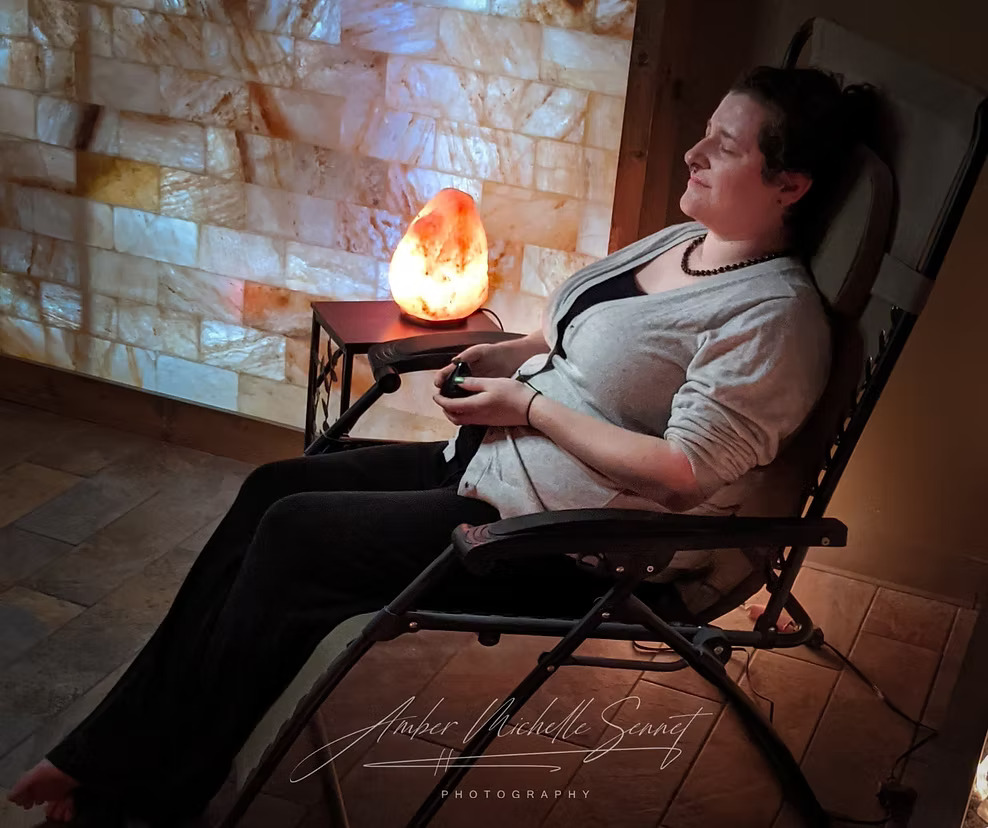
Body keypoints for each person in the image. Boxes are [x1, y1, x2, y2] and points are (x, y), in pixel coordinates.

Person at [8, 65, 875, 825]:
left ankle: (149, 785)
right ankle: (114, 754)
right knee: (275, 487)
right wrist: (521, 355)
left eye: (722, 146)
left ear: (790, 184)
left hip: (553, 544)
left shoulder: (774, 318)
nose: (693, 154)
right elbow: (595, 350)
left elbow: (683, 475)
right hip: (485, 470)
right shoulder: (691, 242)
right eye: (702, 133)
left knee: (295, 537)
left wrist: (531, 412)